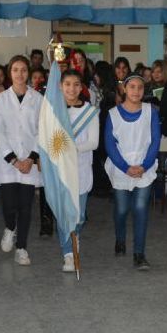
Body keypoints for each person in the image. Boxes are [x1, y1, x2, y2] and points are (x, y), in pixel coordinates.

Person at [0, 55, 43, 266]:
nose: (19, 74)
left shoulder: (37, 99)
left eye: (23, 70)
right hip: (7, 161)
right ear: (9, 72)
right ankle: (10, 228)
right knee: (9, 205)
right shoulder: (2, 99)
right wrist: (14, 160)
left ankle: (21, 247)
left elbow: (42, 130)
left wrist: (31, 158)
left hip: (29, 161)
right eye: (15, 70)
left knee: (26, 206)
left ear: (28, 72)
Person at [104, 74, 160, 270]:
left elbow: (155, 141)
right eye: (132, 87)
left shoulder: (151, 112)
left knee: (140, 208)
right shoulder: (112, 114)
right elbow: (109, 145)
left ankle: (139, 254)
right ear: (125, 89)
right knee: (121, 209)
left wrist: (144, 166)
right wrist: (125, 167)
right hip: (121, 168)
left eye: (140, 87)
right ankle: (120, 239)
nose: (136, 91)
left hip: (145, 167)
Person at [56, 69, 100, 272]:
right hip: (60, 170)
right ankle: (67, 254)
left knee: (79, 216)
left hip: (81, 168)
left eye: (76, 84)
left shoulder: (89, 111)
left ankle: (76, 236)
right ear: (60, 86)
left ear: (81, 86)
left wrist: (71, 148)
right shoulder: (54, 110)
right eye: (67, 84)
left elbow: (93, 142)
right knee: (65, 215)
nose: (71, 88)